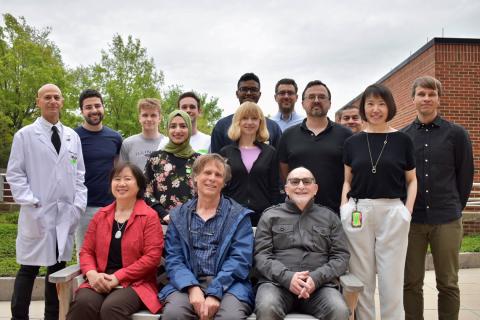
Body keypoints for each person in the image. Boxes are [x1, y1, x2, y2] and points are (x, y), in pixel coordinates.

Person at [7, 84, 87, 320]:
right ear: (38, 101)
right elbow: (15, 173)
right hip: (37, 214)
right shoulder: (25, 135)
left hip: (65, 215)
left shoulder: (72, 137)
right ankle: (18, 316)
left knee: (57, 271)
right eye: (47, 97)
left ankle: (51, 317)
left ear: (62, 102)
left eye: (56, 97)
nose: (52, 101)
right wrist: (31, 202)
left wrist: (78, 205)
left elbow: (80, 174)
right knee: (28, 270)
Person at [340, 84, 417, 319]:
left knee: (391, 278)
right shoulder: (352, 142)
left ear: (390, 107)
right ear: (364, 108)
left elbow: (412, 180)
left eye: (381, 103)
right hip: (358, 211)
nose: (375, 109)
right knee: (360, 276)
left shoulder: (402, 140)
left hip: (393, 211)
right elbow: (346, 181)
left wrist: (407, 212)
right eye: (370, 104)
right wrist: (344, 208)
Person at [402, 76, 474, 320]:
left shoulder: (457, 134)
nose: (426, 98)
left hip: (447, 219)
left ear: (439, 99)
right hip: (413, 221)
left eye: (431, 94)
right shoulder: (403, 137)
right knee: (411, 283)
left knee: (448, 283)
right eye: (421, 94)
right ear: (413, 99)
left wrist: (454, 206)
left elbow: (465, 176)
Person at [159, 154, 254, 320]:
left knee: (230, 317)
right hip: (187, 283)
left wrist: (215, 292)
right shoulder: (178, 216)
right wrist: (191, 287)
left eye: (218, 175)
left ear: (224, 182)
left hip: (229, 285)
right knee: (174, 314)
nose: (212, 178)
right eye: (207, 173)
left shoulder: (238, 215)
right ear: (195, 177)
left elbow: (240, 259)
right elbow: (174, 258)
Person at [66, 162, 163, 320]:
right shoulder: (101, 215)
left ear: (139, 185)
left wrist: (118, 277)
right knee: (83, 303)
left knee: (112, 308)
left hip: (136, 282)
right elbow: (87, 251)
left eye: (127, 179)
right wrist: (91, 273)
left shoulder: (149, 216)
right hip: (100, 278)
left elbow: (152, 258)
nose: (121, 184)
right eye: (117, 179)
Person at [254, 167, 350, 320]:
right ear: (286, 189)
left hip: (320, 287)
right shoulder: (270, 216)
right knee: (267, 306)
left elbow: (341, 257)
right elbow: (261, 256)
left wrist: (316, 278)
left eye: (306, 181)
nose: (301, 186)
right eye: (294, 182)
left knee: (339, 310)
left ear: (315, 189)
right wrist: (288, 278)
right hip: (276, 285)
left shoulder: (330, 217)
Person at [278, 80, 352, 213]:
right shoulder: (288, 135)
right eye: (311, 97)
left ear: (330, 103)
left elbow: (351, 175)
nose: (316, 100)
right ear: (302, 103)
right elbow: (284, 173)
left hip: (336, 213)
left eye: (322, 97)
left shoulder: (346, 135)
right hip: (297, 213)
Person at [74, 89, 122, 251]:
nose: (94, 110)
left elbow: (119, 169)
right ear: (82, 111)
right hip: (83, 208)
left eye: (97, 105)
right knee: (84, 255)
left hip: (112, 206)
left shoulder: (115, 138)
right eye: (88, 107)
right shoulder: (73, 137)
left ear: (103, 107)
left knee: (112, 255)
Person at [219, 102, 280, 226]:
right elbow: (222, 186)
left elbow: (274, 188)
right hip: (232, 215)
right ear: (238, 122)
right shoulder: (226, 152)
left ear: (260, 122)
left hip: (264, 217)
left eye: (254, 118)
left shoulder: (270, 152)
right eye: (245, 118)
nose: (250, 122)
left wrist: (273, 213)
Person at [144, 110, 200, 223]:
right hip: (160, 224)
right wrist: (163, 214)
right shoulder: (155, 159)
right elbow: (144, 190)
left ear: (189, 128)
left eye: (183, 126)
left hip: (192, 224)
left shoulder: (199, 161)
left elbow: (205, 193)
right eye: (173, 126)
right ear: (167, 129)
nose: (178, 130)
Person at [210, 72, 282, 153]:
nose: (248, 93)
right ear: (237, 94)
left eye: (253, 90)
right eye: (244, 89)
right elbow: (215, 160)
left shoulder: (273, 127)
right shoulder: (221, 126)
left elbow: (279, 161)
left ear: (259, 94)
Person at [120, 98, 167, 169]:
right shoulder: (127, 144)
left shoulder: (167, 143)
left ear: (160, 118)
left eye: (153, 115)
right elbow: (122, 173)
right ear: (139, 118)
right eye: (145, 115)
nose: (149, 119)